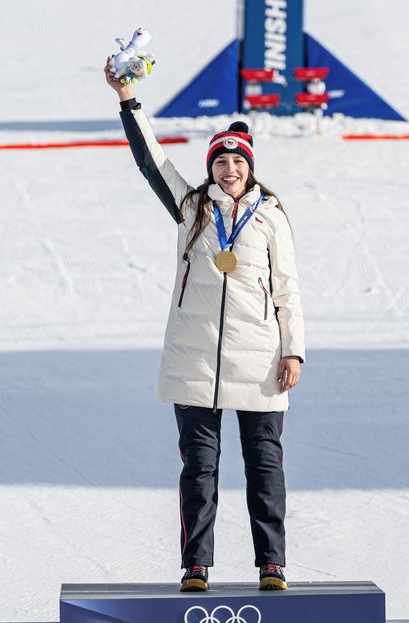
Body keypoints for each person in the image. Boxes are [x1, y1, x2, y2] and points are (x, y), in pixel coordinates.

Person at [105, 60, 306, 592]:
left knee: (265, 469)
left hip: (260, 358)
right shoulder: (190, 205)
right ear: (211, 167)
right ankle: (196, 564)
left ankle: (272, 564)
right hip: (195, 359)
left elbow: (287, 288)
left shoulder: (271, 214)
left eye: (237, 161)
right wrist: (128, 98)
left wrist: (294, 352)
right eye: (221, 161)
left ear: (251, 168)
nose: (229, 169)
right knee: (198, 468)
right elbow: (151, 160)